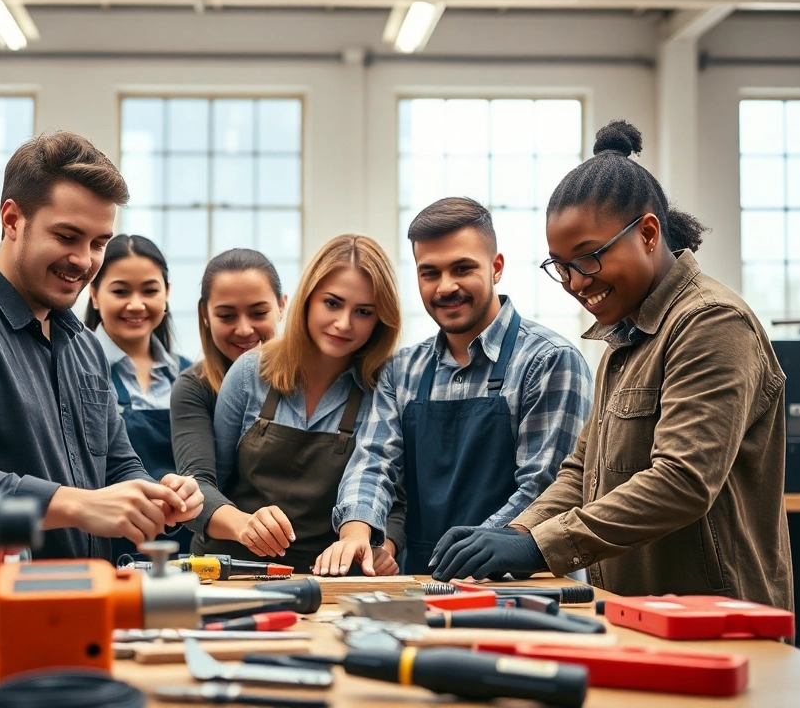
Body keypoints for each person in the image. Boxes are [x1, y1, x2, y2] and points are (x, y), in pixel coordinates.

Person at [430, 120, 793, 611]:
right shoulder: (624, 338)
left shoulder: (711, 323)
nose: (576, 283)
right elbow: (583, 472)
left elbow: (682, 481)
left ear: (647, 233)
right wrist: (514, 533)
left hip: (714, 617)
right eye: (560, 266)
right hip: (635, 609)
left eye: (588, 258)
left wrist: (541, 545)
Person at [0, 131, 204, 560]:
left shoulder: (83, 346)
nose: (85, 260)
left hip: (86, 602)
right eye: (67, 236)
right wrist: (78, 505)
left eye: (98, 243)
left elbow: (115, 467)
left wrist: (159, 494)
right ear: (12, 220)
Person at [320, 197, 592, 576]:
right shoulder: (401, 371)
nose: (445, 286)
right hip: (424, 582)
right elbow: (373, 462)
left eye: (462, 268)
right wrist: (355, 531)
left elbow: (545, 491)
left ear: (496, 268)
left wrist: (472, 553)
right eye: (429, 272)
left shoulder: (550, 361)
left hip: (528, 586)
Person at [207, 235, 405, 573]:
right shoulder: (249, 373)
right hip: (231, 572)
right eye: (332, 303)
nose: (344, 323)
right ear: (307, 300)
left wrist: (385, 546)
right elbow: (207, 485)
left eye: (363, 312)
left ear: (380, 319)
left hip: (328, 581)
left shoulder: (382, 389)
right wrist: (244, 524)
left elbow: (395, 496)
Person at [84, 234, 195, 561]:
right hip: (105, 550)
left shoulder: (191, 377)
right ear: (93, 294)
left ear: (168, 294)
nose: (136, 304)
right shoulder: (73, 372)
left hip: (184, 552)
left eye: (149, 290)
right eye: (120, 291)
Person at [171, 249, 287, 556]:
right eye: (226, 315)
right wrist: (247, 526)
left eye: (259, 313)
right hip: (221, 561)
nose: (245, 329)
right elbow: (196, 484)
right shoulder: (193, 387)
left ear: (282, 306)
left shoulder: (312, 378)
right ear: (204, 315)